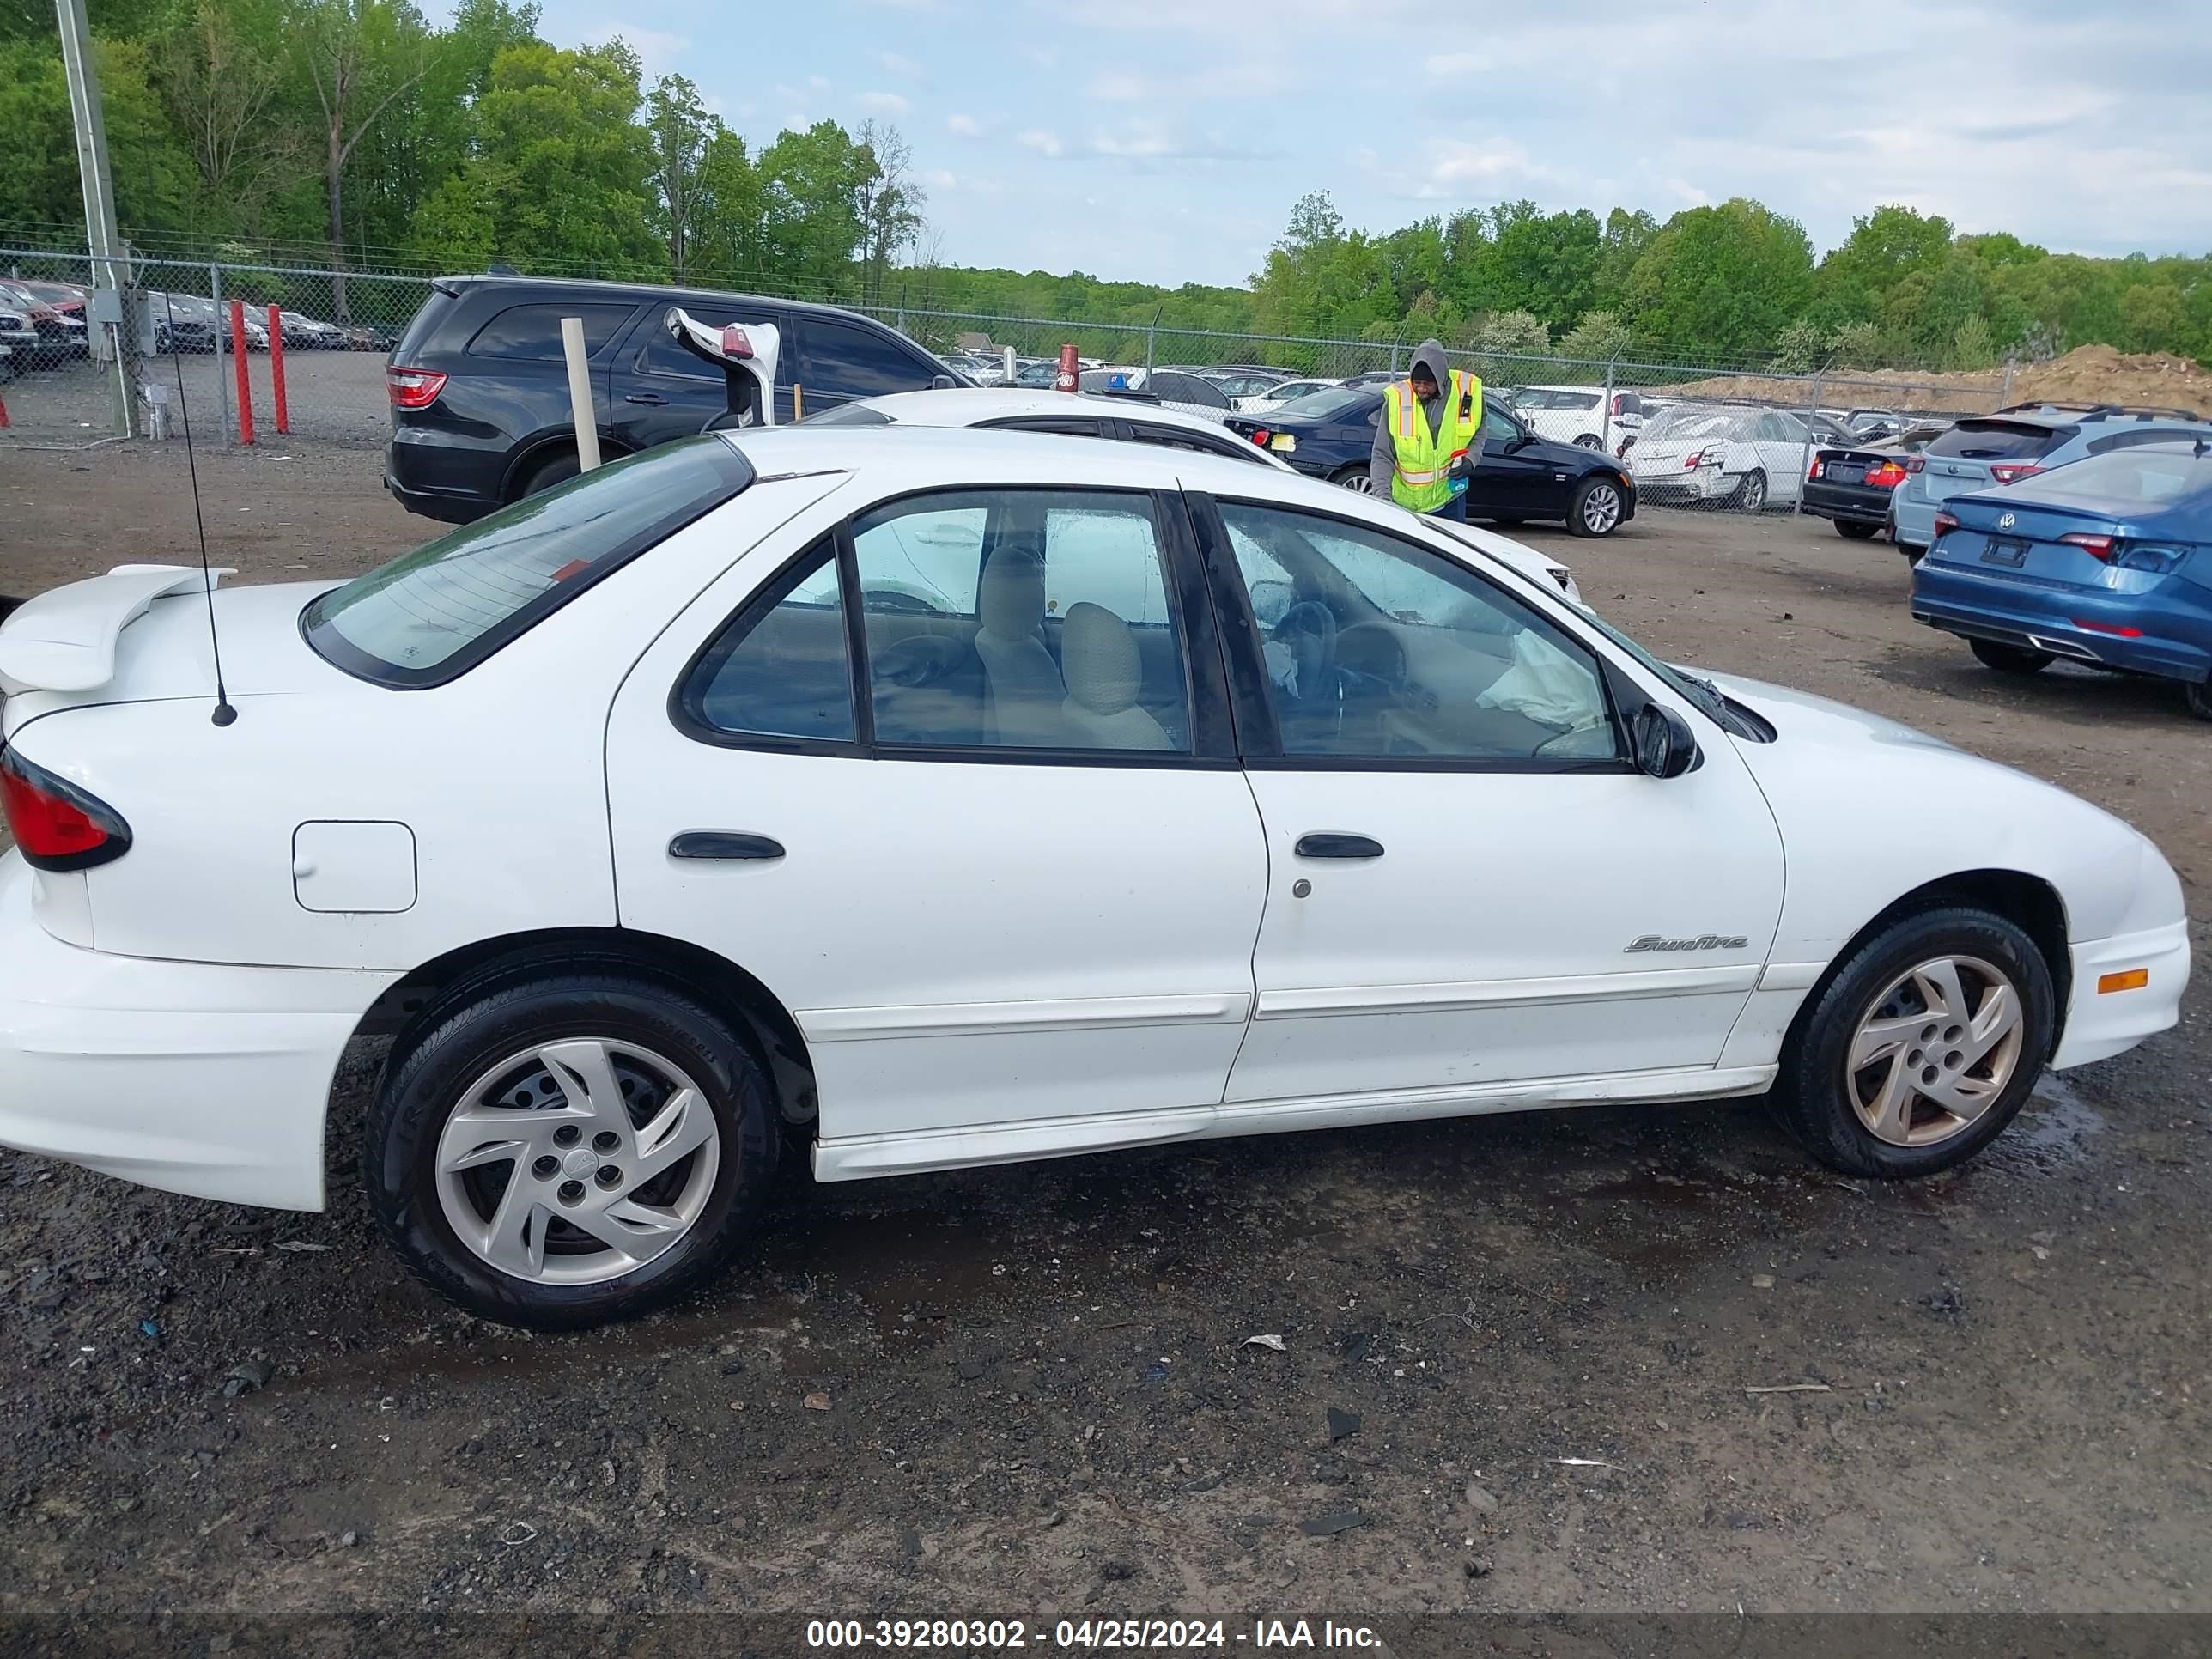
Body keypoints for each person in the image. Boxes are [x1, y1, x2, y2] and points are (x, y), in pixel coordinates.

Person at [1369, 337, 1484, 520]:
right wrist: (1383, 499)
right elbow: (1382, 454)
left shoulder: (1466, 391)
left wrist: (1472, 459)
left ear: (1440, 380)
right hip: (1405, 505)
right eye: (1417, 382)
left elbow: (1480, 427)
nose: (1421, 389)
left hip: (1450, 500)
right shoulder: (1397, 400)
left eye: (1428, 384)